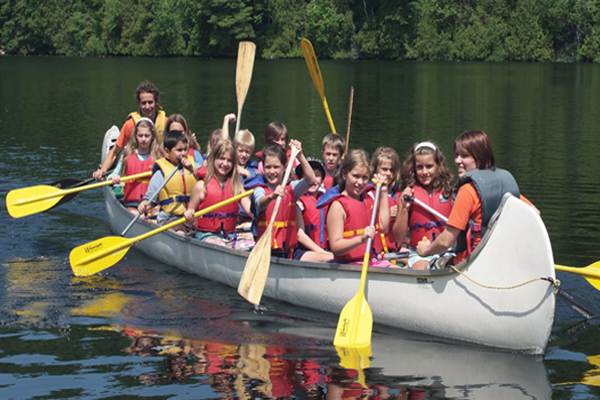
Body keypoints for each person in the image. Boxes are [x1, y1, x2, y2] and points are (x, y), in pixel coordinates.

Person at [416, 130, 537, 267]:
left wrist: (426, 250)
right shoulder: (504, 183)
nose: (457, 161)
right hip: (504, 259)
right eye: (457, 155)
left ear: (479, 157)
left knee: (423, 266)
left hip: (473, 263)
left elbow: (445, 242)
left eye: (464, 156)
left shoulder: (468, 190)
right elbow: (535, 213)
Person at [317, 149, 393, 267]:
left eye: (365, 177)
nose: (360, 182)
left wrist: (383, 192)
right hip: (347, 264)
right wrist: (360, 240)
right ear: (344, 174)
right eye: (356, 176)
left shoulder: (368, 198)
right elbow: (335, 247)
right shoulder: (338, 206)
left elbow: (384, 227)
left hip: (370, 261)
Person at [245, 141, 316, 259]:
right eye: (268, 167)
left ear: (285, 167)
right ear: (263, 167)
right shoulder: (260, 189)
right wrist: (272, 196)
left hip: (289, 252)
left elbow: (311, 179)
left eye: (276, 167)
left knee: (324, 258)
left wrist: (300, 156)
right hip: (267, 252)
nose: (272, 171)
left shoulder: (292, 188)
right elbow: (260, 203)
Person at [393, 141, 454, 269]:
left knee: (447, 264)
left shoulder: (450, 192)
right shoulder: (407, 194)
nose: (424, 172)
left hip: (447, 252)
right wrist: (404, 209)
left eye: (429, 166)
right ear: (414, 168)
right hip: (419, 255)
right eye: (420, 167)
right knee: (422, 268)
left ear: (438, 166)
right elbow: (399, 237)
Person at [183, 140, 253, 250]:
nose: (225, 163)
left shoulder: (236, 186)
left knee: (252, 245)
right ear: (214, 159)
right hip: (206, 236)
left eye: (229, 160)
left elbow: (250, 210)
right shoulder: (201, 186)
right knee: (221, 246)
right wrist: (189, 212)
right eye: (221, 158)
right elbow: (190, 213)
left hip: (229, 236)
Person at [94, 81, 166, 180]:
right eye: (143, 103)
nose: (147, 106)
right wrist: (102, 171)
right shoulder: (130, 124)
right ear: (139, 104)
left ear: (156, 102)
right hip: (134, 166)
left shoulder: (166, 122)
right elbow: (115, 152)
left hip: (155, 163)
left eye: (150, 102)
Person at [138, 130, 196, 234]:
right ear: (167, 152)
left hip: (192, 217)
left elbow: (206, 183)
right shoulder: (160, 174)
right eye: (179, 150)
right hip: (170, 219)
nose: (183, 153)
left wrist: (192, 170)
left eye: (185, 149)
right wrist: (145, 204)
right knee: (180, 233)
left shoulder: (194, 167)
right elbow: (150, 199)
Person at [109, 118, 161, 214]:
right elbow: (111, 176)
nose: (143, 139)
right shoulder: (127, 156)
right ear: (135, 136)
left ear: (152, 136)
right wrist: (113, 177)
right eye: (140, 136)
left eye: (147, 136)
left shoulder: (158, 158)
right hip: (131, 206)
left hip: (152, 206)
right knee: (138, 215)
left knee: (156, 214)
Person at [295, 158, 333, 262]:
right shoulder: (298, 202)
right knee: (331, 258)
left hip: (323, 250)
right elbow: (299, 235)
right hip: (302, 251)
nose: (314, 180)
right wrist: (323, 253)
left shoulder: (326, 200)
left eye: (317, 175)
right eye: (306, 176)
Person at [368, 147, 403, 255]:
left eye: (391, 170)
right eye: (384, 169)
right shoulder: (369, 195)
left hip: (395, 249)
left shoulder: (399, 195)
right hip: (378, 250)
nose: (388, 173)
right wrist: (389, 216)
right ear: (376, 170)